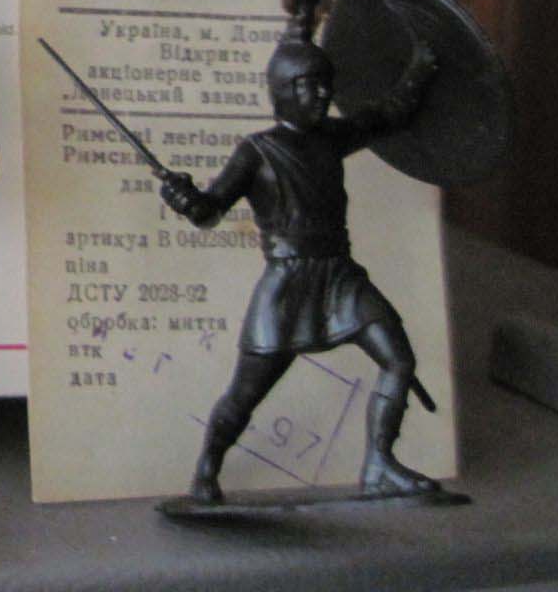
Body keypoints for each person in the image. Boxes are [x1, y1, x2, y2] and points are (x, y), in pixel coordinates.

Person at [159, 35, 443, 502]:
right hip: (287, 285)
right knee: (245, 394)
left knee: (398, 359)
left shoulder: (332, 136)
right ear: (285, 89)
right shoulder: (257, 151)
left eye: (326, 84)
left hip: (339, 275)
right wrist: (186, 198)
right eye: (312, 85)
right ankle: (207, 468)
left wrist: (423, 66)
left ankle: (379, 464)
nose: (324, 93)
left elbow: (391, 114)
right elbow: (209, 212)